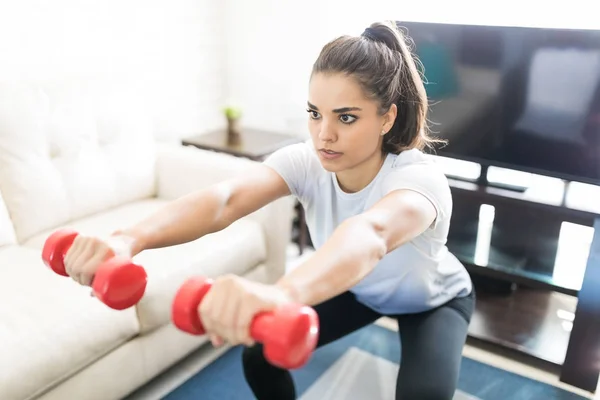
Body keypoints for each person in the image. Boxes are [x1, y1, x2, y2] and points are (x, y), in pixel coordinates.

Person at [63, 20, 474, 400]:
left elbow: (371, 235)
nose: (323, 135)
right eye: (315, 114)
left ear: (387, 118)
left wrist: (282, 294)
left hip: (433, 300)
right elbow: (226, 199)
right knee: (259, 354)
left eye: (346, 118)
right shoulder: (307, 161)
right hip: (360, 290)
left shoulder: (419, 180)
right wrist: (127, 239)